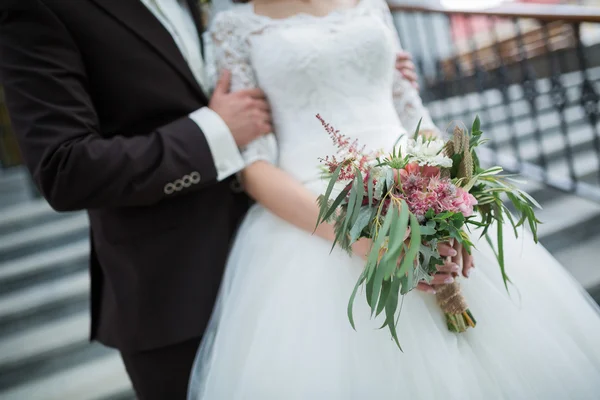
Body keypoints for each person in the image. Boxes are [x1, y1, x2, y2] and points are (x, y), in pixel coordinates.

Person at [0, 1, 421, 398]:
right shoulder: (39, 7)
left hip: (280, 256)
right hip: (173, 290)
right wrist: (213, 132)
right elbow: (63, 168)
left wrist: (361, 68)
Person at [187, 0, 600, 398]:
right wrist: (366, 241)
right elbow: (253, 167)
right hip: (315, 220)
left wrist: (451, 203)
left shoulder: (371, 4)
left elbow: (417, 120)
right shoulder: (233, 28)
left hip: (419, 188)